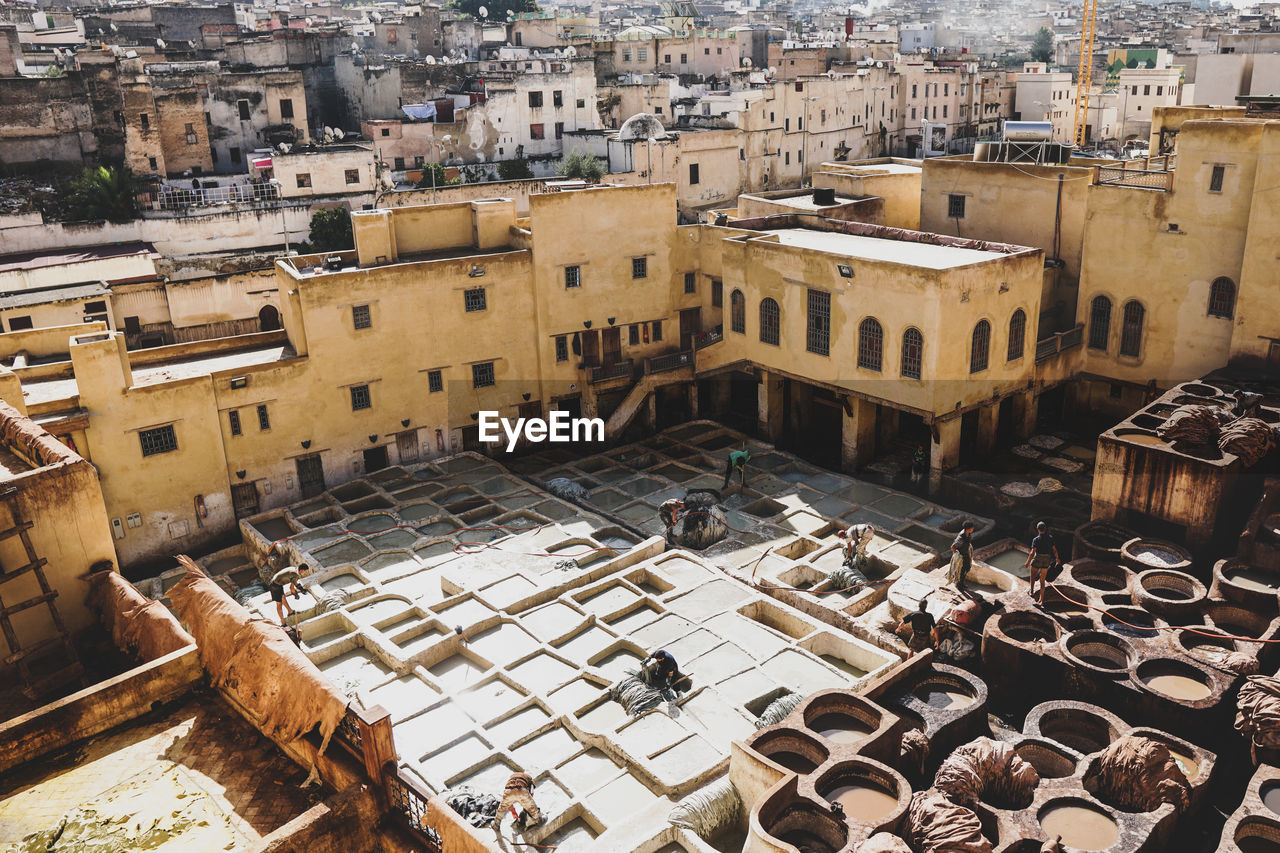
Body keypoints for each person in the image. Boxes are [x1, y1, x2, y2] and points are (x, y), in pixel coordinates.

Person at [1026, 521, 1061, 606]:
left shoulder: (1036, 540)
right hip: (1047, 559)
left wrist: (1028, 562)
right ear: (1045, 529)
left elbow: (1032, 553)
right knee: (1042, 580)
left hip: (1038, 558)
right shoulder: (1050, 538)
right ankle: (1041, 600)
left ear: (1038, 530)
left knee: (1033, 575)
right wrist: (1057, 559)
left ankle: (1032, 592)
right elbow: (1054, 550)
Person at [948, 520, 975, 592]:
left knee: (967, 568)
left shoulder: (968, 534)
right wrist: (957, 555)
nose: (973, 529)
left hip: (966, 554)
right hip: (961, 556)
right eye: (972, 528)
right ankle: (959, 585)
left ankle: (962, 583)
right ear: (969, 529)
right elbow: (953, 547)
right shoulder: (960, 538)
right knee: (960, 571)